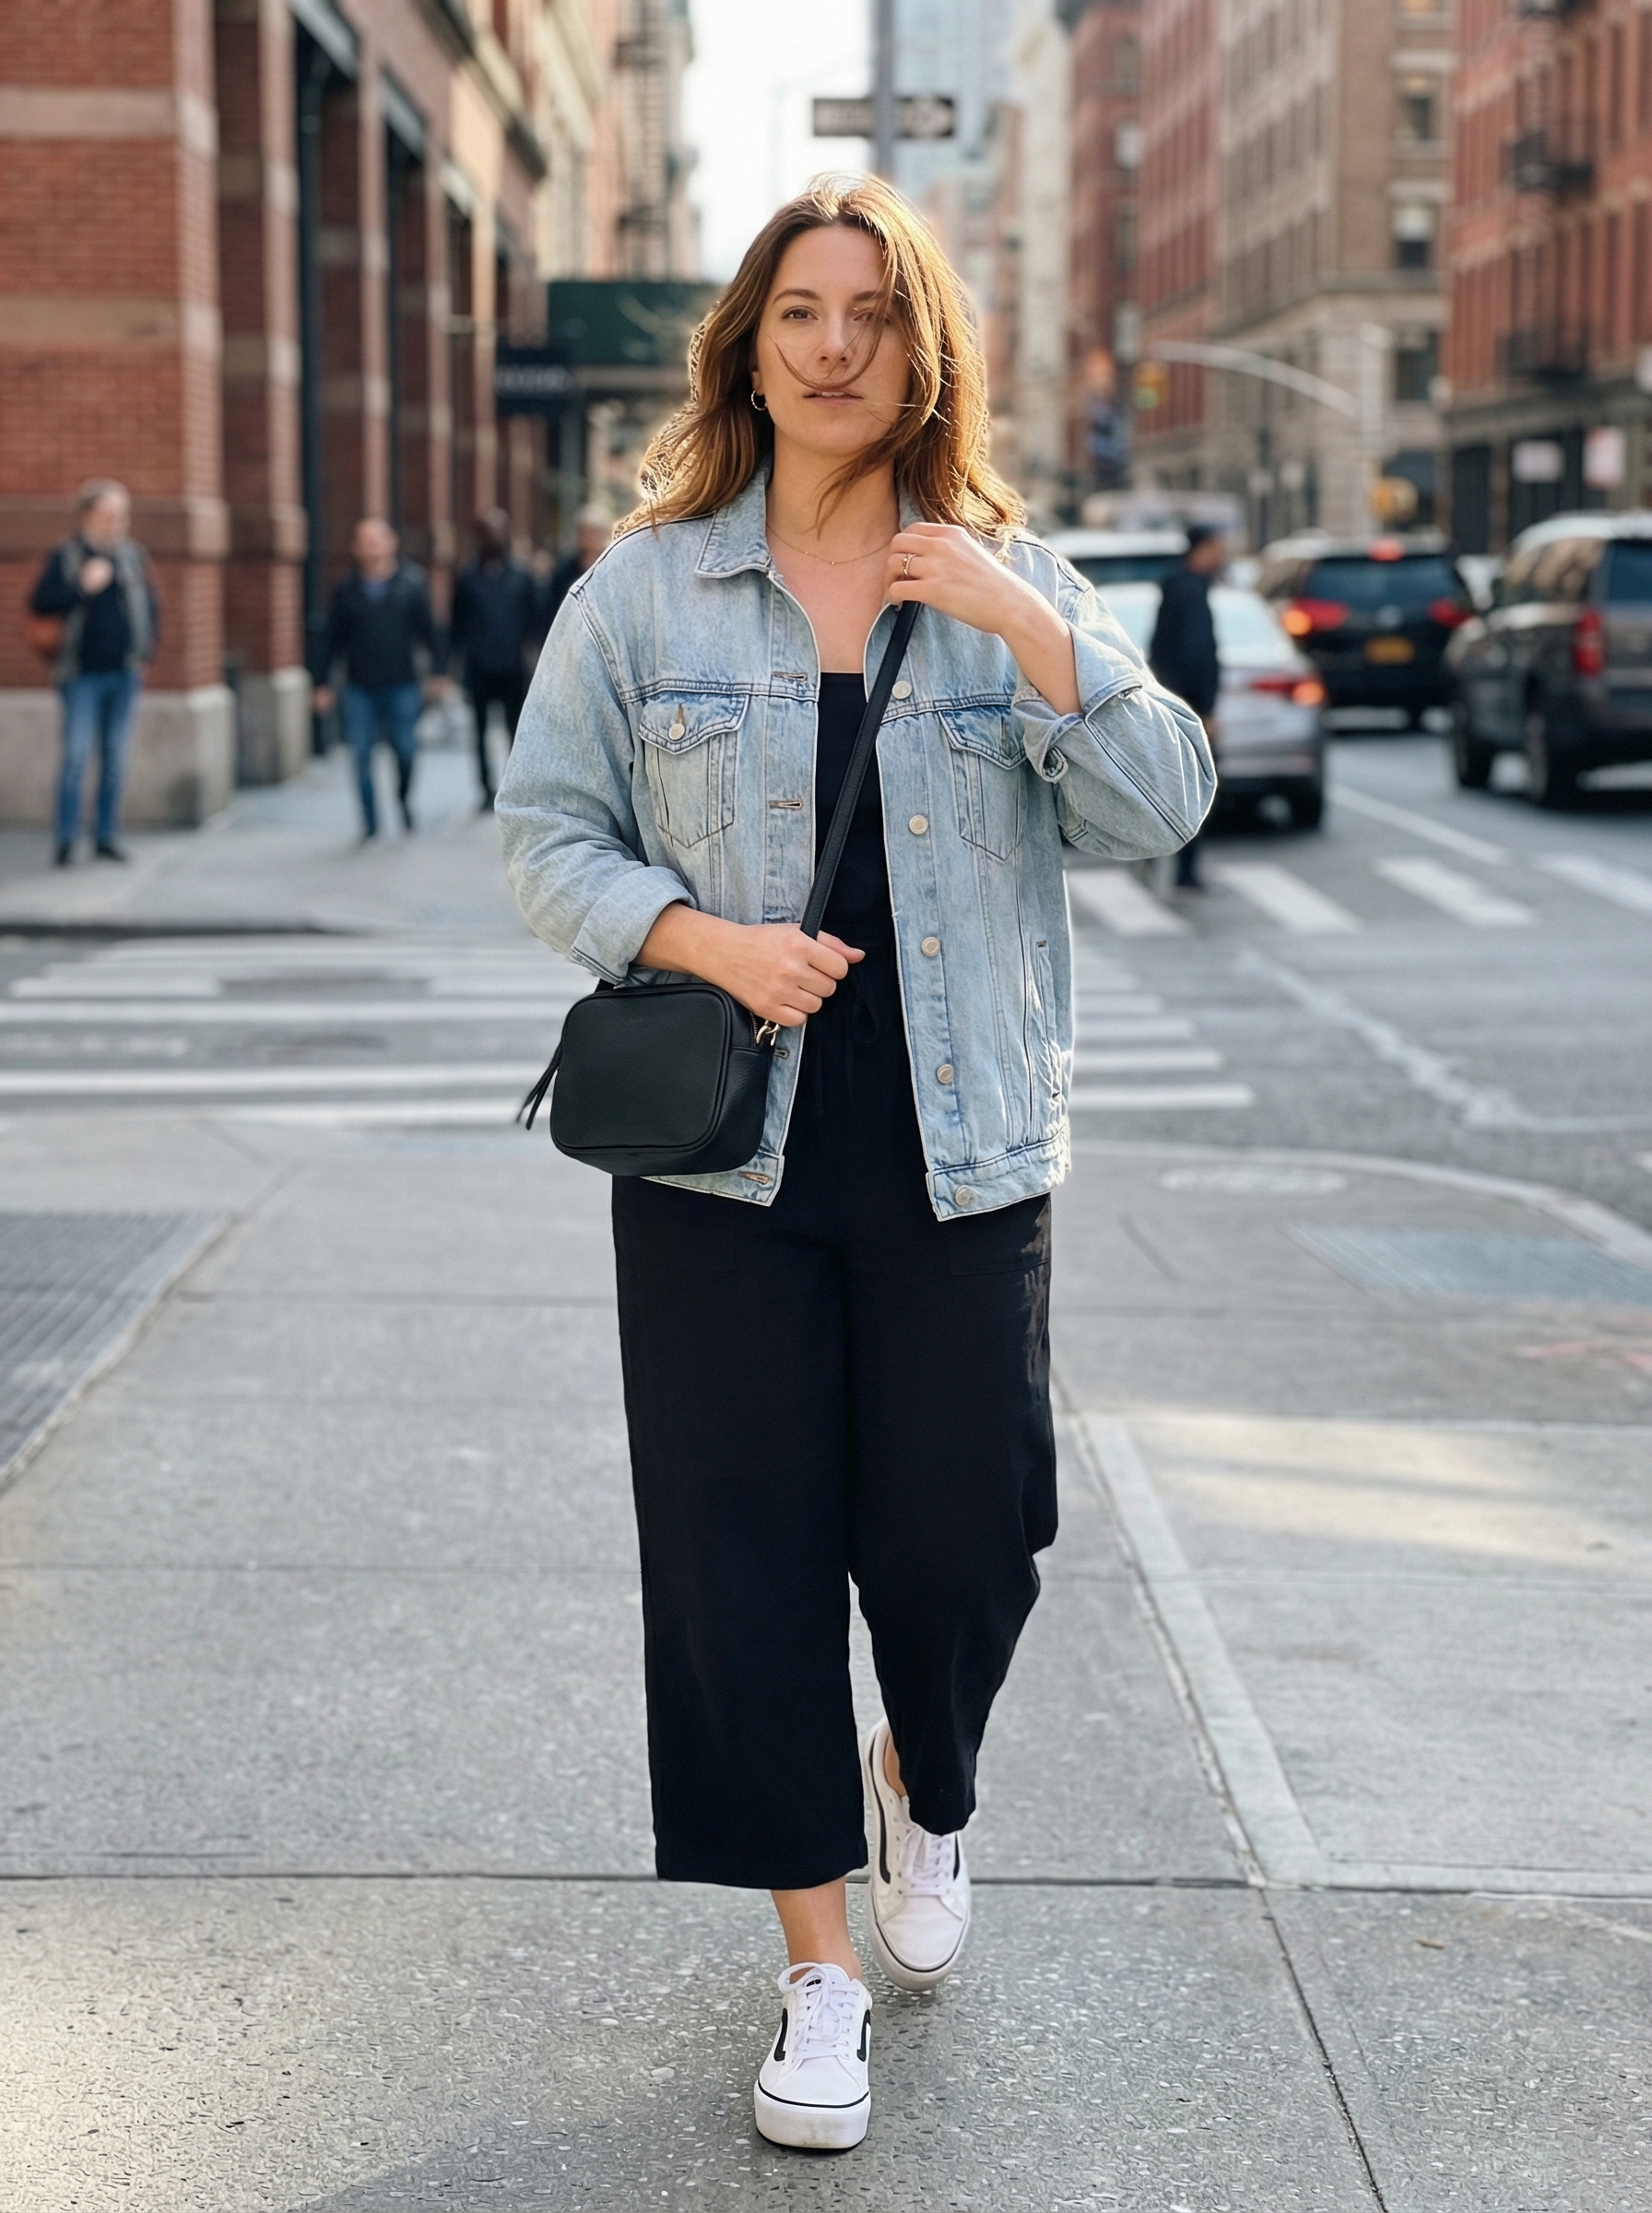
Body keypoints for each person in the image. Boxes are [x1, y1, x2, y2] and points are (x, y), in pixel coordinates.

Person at [498, 176, 1212, 2154]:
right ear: (747, 345)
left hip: (960, 1158)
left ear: (921, 354)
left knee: (966, 1540)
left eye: (869, 316)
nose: (831, 346)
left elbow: (1163, 806)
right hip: (727, 1171)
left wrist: (1028, 627)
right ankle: (815, 1965)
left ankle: (930, 1777)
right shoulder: (644, 591)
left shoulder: (1005, 570)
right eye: (796, 312)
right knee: (739, 1562)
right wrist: (703, 939)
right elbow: (545, 833)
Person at [30, 479, 159, 866]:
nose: (115, 524)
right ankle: (67, 839)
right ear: (88, 516)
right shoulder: (67, 557)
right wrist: (81, 587)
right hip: (81, 675)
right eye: (108, 516)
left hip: (124, 673)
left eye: (121, 516)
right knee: (77, 756)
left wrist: (144, 654)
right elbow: (40, 602)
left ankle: (106, 836)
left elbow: (150, 607)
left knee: (116, 758)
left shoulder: (132, 557)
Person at [312, 517, 446, 838]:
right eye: (364, 541)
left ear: (391, 544)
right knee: (360, 753)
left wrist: (439, 673)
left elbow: (430, 631)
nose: (371, 548)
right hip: (360, 686)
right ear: (356, 548)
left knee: (405, 749)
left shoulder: (411, 584)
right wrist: (322, 684)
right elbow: (331, 640)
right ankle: (370, 821)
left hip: (402, 683)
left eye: (377, 540)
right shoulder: (346, 589)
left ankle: (403, 799)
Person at [1147, 524, 1226, 888]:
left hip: (1170, 700)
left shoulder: (1175, 587)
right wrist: (1205, 708)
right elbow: (1198, 654)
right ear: (1204, 548)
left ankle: (1153, 859)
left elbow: (1160, 648)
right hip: (1189, 707)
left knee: (1167, 782)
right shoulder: (1191, 591)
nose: (1222, 555)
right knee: (1194, 786)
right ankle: (1185, 871)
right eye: (1218, 547)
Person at [450, 508, 544, 810]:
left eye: (499, 532)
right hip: (479, 667)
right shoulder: (467, 578)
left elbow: (535, 622)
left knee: (515, 730)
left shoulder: (521, 577)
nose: (494, 538)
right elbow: (457, 624)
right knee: (478, 732)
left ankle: (515, 786)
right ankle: (484, 788)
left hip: (513, 666)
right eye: (488, 533)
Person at [539, 505, 613, 633]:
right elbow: (552, 610)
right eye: (585, 532)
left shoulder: (611, 570)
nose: (589, 538)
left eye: (595, 532)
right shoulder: (563, 571)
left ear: (604, 534)